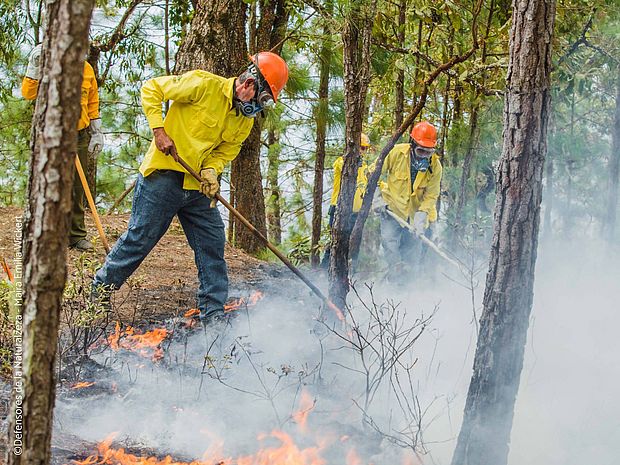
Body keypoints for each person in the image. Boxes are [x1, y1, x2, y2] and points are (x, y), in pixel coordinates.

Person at [91, 52, 289, 323]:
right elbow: (152, 88)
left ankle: (213, 311)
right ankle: (99, 291)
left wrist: (211, 170)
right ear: (249, 84)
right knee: (139, 239)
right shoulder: (202, 84)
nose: (256, 110)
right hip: (163, 178)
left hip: (196, 187)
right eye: (258, 101)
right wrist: (159, 130)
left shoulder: (245, 120)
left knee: (212, 242)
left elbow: (225, 151)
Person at [22, 44, 104, 251]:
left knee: (77, 187)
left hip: (79, 135)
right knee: (46, 184)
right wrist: (34, 65)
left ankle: (76, 235)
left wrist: (97, 131)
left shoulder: (86, 68)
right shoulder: (48, 66)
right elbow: (28, 93)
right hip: (51, 136)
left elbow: (92, 101)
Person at [377, 121, 442, 280]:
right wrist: (376, 200)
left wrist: (421, 215)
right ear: (412, 145)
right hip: (392, 211)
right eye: (421, 151)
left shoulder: (435, 166)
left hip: (415, 217)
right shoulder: (395, 154)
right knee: (390, 246)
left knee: (412, 256)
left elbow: (431, 195)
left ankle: (409, 291)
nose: (425, 156)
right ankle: (393, 285)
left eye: (429, 152)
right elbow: (372, 175)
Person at [320, 133, 371, 268]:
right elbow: (340, 166)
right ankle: (323, 271)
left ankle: (348, 274)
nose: (362, 151)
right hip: (339, 210)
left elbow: (365, 184)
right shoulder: (342, 162)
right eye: (360, 147)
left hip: (356, 214)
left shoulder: (364, 166)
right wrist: (353, 160)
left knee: (352, 246)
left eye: (364, 148)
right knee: (335, 244)